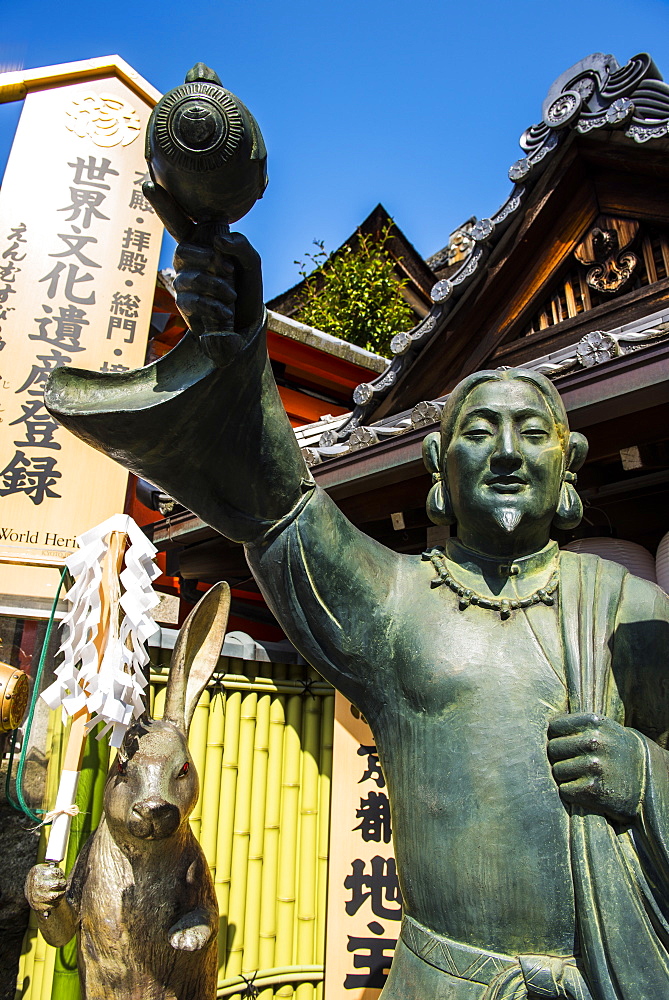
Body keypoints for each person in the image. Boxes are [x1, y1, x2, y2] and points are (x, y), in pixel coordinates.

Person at [46, 223, 669, 1000]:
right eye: (478, 432)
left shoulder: (629, 613)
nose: (506, 452)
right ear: (438, 470)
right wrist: (240, 342)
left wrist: (646, 776)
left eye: (532, 433)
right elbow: (279, 507)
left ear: (566, 466)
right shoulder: (398, 599)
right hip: (446, 980)